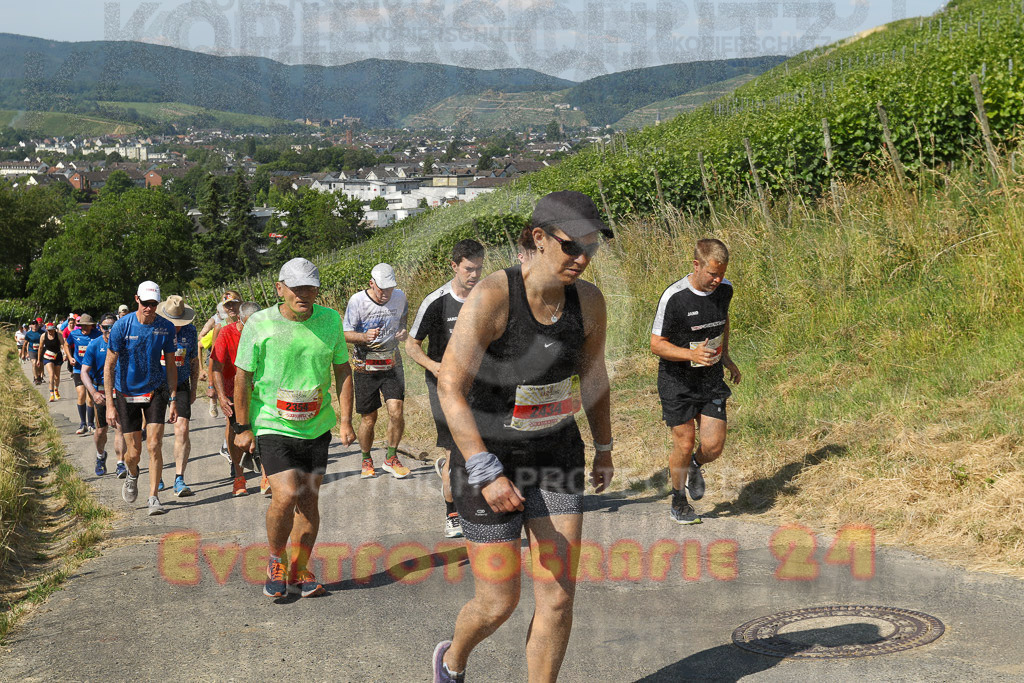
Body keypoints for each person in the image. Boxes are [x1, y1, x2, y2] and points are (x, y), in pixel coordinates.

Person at [433, 191, 615, 683]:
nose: (581, 259)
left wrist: (604, 447)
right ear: (539, 237)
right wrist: (484, 469)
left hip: (556, 457)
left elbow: (594, 378)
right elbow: (451, 385)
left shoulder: (590, 302)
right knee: (498, 602)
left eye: (591, 249)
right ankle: (452, 661)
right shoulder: (495, 295)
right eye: (572, 247)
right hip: (487, 459)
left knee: (557, 595)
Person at [232, 258, 355, 598]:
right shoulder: (259, 323)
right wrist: (242, 426)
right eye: (296, 288)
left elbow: (343, 371)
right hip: (273, 421)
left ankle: (300, 571)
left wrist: (345, 420)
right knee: (285, 495)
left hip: (316, 426)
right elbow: (242, 377)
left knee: (308, 500)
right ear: (280, 289)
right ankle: (276, 560)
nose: (303, 294)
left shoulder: (330, 320)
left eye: (310, 288)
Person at [650, 238, 742, 525]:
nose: (717, 279)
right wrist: (690, 353)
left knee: (713, 447)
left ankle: (693, 467)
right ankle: (678, 500)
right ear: (696, 264)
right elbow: (656, 344)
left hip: (710, 377)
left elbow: (723, 320)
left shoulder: (725, 290)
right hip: (677, 381)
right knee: (685, 441)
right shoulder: (674, 297)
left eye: (722, 273)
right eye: (712, 273)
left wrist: (725, 356)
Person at [407, 239, 485, 538]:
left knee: (481, 443)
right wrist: (435, 367)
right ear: (454, 266)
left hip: (479, 383)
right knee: (456, 449)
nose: (474, 275)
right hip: (445, 385)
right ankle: (452, 513)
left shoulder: (486, 296)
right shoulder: (436, 302)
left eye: (479, 268)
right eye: (468, 269)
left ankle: (477, 501)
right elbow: (412, 345)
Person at [104, 280, 179, 516]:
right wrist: (109, 404)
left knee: (155, 444)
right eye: (145, 303)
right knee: (133, 453)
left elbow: (171, 365)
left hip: (155, 389)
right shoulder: (121, 327)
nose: (149, 308)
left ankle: (154, 497)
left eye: (154, 304)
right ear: (137, 299)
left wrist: (173, 397)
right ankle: (133, 473)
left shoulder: (165, 327)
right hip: (126, 392)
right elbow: (109, 366)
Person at [343, 263, 411, 480]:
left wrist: (402, 331)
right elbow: (345, 333)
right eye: (382, 289)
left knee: (396, 411)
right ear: (371, 283)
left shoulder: (400, 297)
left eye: (390, 289)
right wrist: (364, 337)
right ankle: (366, 458)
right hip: (366, 365)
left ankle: (391, 458)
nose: (386, 294)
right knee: (369, 419)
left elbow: (403, 318)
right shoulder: (357, 301)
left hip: (392, 362)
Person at [211, 301, 267, 497]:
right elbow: (216, 367)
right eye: (249, 325)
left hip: (260, 390)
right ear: (240, 321)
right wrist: (220, 396)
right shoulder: (226, 333)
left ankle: (266, 476)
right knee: (237, 431)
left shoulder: (267, 332)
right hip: (232, 390)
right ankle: (239, 477)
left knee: (265, 430)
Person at [156, 295, 200, 497]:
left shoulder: (190, 331)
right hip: (156, 385)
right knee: (154, 434)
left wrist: (193, 389)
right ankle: (156, 474)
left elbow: (194, 361)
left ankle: (179, 479)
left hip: (181, 383)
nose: (178, 327)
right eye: (174, 324)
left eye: (180, 324)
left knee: (181, 428)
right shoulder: (155, 329)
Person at [81, 314, 117, 476]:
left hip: (120, 390)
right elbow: (84, 373)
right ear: (100, 328)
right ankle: (100, 456)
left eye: (113, 327)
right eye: (105, 327)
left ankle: (121, 463)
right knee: (102, 430)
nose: (109, 330)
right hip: (101, 391)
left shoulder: (124, 344)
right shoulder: (94, 345)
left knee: (121, 428)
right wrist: (93, 392)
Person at [65, 314, 101, 433]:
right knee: (81, 394)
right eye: (82, 326)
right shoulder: (75, 334)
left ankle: (91, 424)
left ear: (92, 326)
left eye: (87, 326)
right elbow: (66, 344)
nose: (84, 329)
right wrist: (70, 357)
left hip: (92, 370)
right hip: (78, 369)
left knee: (91, 397)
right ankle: (82, 424)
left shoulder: (97, 335)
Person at [39, 322, 65, 401]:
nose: (50, 332)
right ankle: (51, 394)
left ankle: (56, 390)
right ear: (46, 330)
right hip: (48, 357)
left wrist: (65, 355)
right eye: (49, 330)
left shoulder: (59, 335)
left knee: (57, 376)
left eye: (52, 330)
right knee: (51, 374)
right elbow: (40, 347)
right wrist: (38, 359)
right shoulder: (43, 336)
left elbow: (63, 346)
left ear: (54, 329)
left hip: (57, 356)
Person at [24, 319, 43, 384]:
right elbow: (25, 343)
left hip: (41, 350)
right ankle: (36, 378)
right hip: (32, 350)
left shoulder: (42, 332)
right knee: (34, 363)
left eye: (36, 324)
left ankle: (39, 375)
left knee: (40, 365)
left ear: (38, 325)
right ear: (31, 325)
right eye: (33, 324)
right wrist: (24, 353)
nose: (35, 325)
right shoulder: (28, 334)